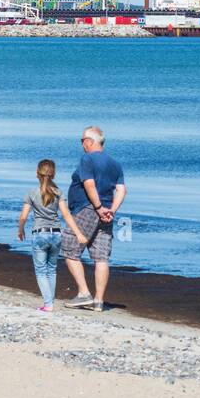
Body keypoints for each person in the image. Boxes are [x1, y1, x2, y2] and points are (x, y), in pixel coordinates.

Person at [60, 126, 126, 312]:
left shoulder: (87, 158)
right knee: (101, 257)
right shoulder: (115, 163)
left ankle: (83, 293)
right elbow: (121, 190)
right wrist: (111, 209)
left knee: (70, 248)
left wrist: (98, 208)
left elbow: (89, 184)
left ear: (90, 141)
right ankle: (99, 301)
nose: (81, 144)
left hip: (87, 209)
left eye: (82, 140)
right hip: (106, 213)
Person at [16, 159, 85, 312]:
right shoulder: (58, 193)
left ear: (37, 173)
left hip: (40, 235)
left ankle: (48, 304)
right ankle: (50, 302)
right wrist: (78, 233)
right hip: (56, 235)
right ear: (53, 174)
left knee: (41, 270)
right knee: (52, 269)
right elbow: (66, 215)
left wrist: (20, 230)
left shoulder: (32, 193)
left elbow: (24, 216)